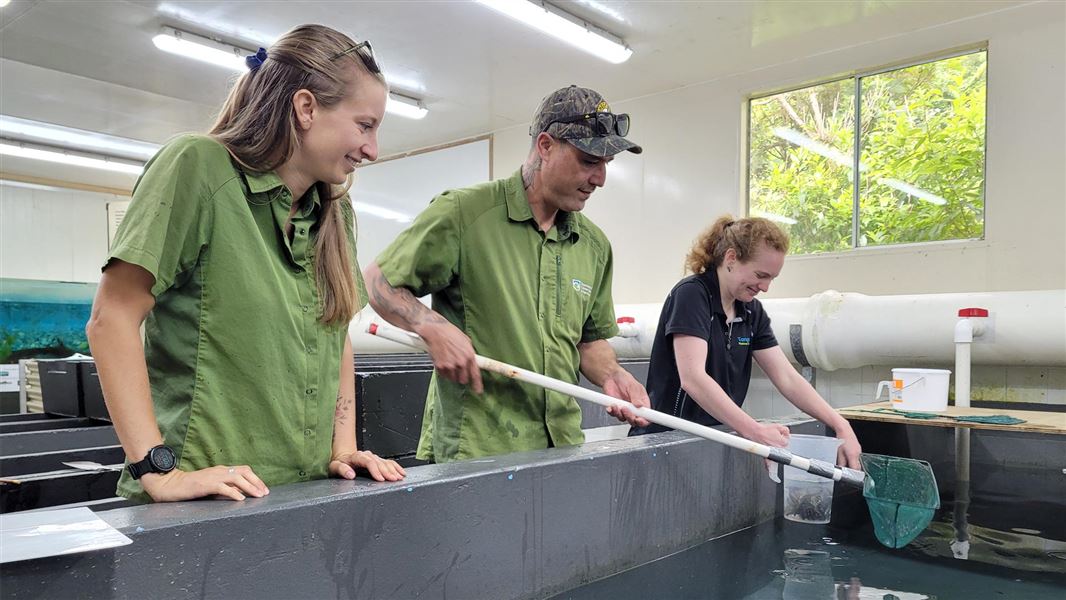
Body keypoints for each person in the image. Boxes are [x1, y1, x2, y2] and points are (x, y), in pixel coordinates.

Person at [86, 24, 405, 504]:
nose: (372, 149)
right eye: (365, 125)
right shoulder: (199, 167)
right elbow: (111, 318)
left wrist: (344, 448)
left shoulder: (335, 216)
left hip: (299, 499)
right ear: (305, 108)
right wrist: (157, 470)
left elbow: (335, 334)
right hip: (203, 506)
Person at [364, 85, 650, 463]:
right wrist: (432, 327)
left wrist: (613, 375)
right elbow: (378, 281)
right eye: (588, 161)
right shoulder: (465, 214)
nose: (600, 178)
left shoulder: (594, 247)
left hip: (561, 445)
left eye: (606, 164)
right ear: (545, 146)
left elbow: (588, 341)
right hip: (479, 448)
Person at [630, 216, 862, 469]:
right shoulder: (692, 295)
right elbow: (693, 378)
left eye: (772, 278)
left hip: (712, 440)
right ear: (731, 258)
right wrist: (755, 431)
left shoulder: (751, 312)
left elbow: (786, 377)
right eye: (761, 275)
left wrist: (841, 425)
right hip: (665, 441)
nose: (765, 287)